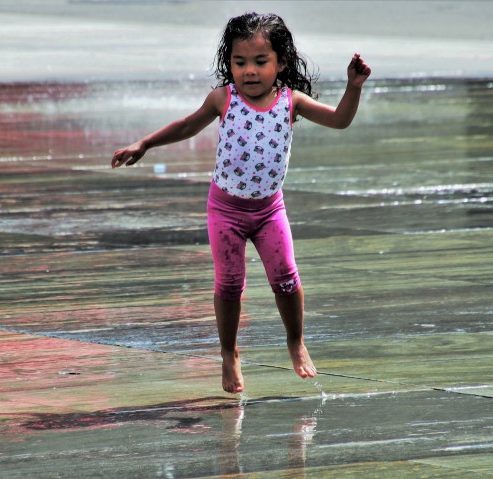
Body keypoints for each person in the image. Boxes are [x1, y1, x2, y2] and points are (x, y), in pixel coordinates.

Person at [111, 12, 371, 394]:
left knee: (286, 277)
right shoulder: (224, 98)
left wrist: (353, 87)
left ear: (281, 62)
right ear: (229, 63)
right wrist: (145, 143)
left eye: (260, 61)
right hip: (225, 210)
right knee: (230, 284)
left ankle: (295, 341)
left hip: (269, 211)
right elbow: (187, 125)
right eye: (240, 62)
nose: (249, 71)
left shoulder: (291, 101)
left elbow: (340, 120)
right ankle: (229, 353)